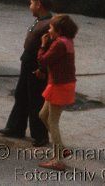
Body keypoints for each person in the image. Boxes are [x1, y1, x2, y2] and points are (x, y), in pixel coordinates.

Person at [0, 0, 53, 146]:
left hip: (36, 66)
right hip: (27, 62)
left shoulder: (49, 24)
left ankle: (40, 135)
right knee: (21, 95)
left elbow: (49, 50)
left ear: (38, 4)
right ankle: (16, 127)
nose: (30, 6)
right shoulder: (39, 20)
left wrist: (42, 69)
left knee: (35, 100)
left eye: (31, 3)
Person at [37, 14, 78, 171]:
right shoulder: (66, 41)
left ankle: (58, 160)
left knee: (53, 121)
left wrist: (42, 45)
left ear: (59, 30)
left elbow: (43, 60)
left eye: (51, 28)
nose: (49, 30)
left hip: (59, 85)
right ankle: (60, 148)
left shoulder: (59, 44)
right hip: (61, 84)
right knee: (43, 115)